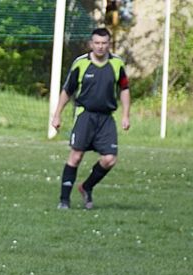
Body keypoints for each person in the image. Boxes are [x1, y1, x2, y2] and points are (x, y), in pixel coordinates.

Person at [51, 27, 130, 210]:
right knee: (76, 156)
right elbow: (67, 90)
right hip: (84, 115)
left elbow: (124, 89)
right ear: (91, 44)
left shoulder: (117, 64)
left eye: (104, 43)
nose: (100, 47)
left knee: (110, 159)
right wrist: (57, 114)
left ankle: (86, 187)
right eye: (97, 43)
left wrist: (126, 115)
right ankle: (64, 200)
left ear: (109, 44)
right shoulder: (81, 63)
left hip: (106, 118)